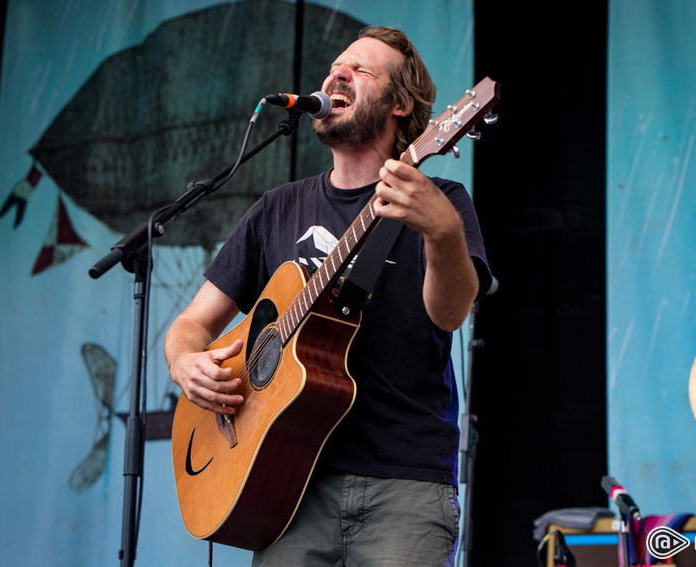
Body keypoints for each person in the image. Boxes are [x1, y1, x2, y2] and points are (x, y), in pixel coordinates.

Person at [164, 25, 492, 566]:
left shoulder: (441, 201)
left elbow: (451, 313)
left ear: (400, 106)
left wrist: (442, 232)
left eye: (360, 69)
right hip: (284, 488)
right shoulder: (276, 208)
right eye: (335, 66)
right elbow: (191, 325)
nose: (337, 73)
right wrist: (185, 363)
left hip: (403, 488)